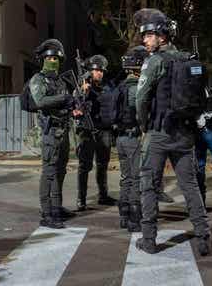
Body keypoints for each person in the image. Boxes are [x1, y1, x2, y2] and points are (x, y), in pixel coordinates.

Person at [133, 8, 211, 255]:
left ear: (162, 36)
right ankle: (202, 237)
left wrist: (145, 126)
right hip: (185, 133)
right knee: (190, 185)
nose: (144, 40)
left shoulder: (155, 61)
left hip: (159, 133)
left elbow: (141, 99)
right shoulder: (187, 59)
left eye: (148, 35)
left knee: (149, 185)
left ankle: (148, 240)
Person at [28, 39, 75, 229]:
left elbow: (66, 104)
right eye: (50, 58)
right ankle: (46, 213)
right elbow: (40, 101)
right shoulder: (38, 79)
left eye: (56, 58)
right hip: (50, 132)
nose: (53, 61)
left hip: (63, 131)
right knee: (48, 172)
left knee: (60, 171)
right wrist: (64, 98)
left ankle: (57, 207)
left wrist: (75, 106)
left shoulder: (62, 81)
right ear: (43, 59)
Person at [75, 54, 118, 211]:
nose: (99, 73)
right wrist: (83, 91)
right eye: (96, 70)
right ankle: (81, 199)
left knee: (102, 164)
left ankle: (103, 195)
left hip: (104, 130)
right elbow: (76, 105)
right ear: (89, 71)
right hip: (87, 130)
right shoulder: (82, 87)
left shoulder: (108, 87)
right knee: (84, 165)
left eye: (101, 70)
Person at [114, 46, 147, 232]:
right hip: (132, 137)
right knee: (136, 177)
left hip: (120, 137)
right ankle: (135, 218)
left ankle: (124, 215)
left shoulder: (120, 86)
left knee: (125, 177)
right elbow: (140, 112)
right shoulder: (136, 88)